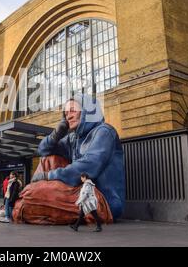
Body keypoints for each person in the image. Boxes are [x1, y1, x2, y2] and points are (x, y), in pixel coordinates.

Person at [28, 94, 125, 222]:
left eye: (73, 110)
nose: (68, 116)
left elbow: (87, 166)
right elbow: (43, 151)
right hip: (80, 192)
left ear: (88, 111)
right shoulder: (73, 138)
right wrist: (55, 135)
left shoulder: (104, 132)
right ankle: (19, 203)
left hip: (101, 200)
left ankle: (16, 206)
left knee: (39, 195)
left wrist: (48, 176)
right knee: (48, 159)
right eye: (66, 113)